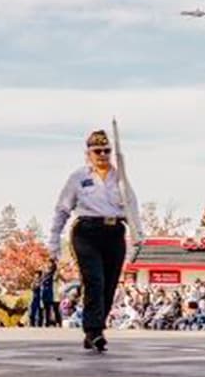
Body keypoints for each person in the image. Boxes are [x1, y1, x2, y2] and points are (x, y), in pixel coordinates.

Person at [48, 128, 144, 353]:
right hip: (86, 232)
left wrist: (138, 235)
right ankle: (94, 331)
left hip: (114, 232)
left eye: (107, 150)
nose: (102, 155)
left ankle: (96, 328)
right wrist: (54, 240)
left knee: (110, 284)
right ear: (88, 153)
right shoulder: (79, 177)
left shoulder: (120, 177)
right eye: (97, 151)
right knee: (95, 280)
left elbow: (132, 207)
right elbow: (62, 209)